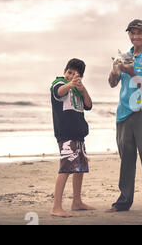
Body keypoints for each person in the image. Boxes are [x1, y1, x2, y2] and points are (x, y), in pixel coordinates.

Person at [107, 19, 142, 214]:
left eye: (139, 32)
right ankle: (123, 201)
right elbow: (112, 83)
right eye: (132, 33)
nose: (135, 36)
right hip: (123, 113)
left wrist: (130, 71)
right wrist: (115, 71)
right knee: (126, 159)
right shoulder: (124, 56)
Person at [50, 58, 95, 217]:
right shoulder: (59, 83)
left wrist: (82, 89)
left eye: (76, 75)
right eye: (69, 72)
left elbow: (89, 105)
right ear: (64, 72)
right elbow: (58, 92)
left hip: (78, 134)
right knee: (66, 168)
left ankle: (76, 201)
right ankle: (56, 206)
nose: (71, 76)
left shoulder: (78, 89)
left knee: (80, 167)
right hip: (66, 134)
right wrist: (70, 84)